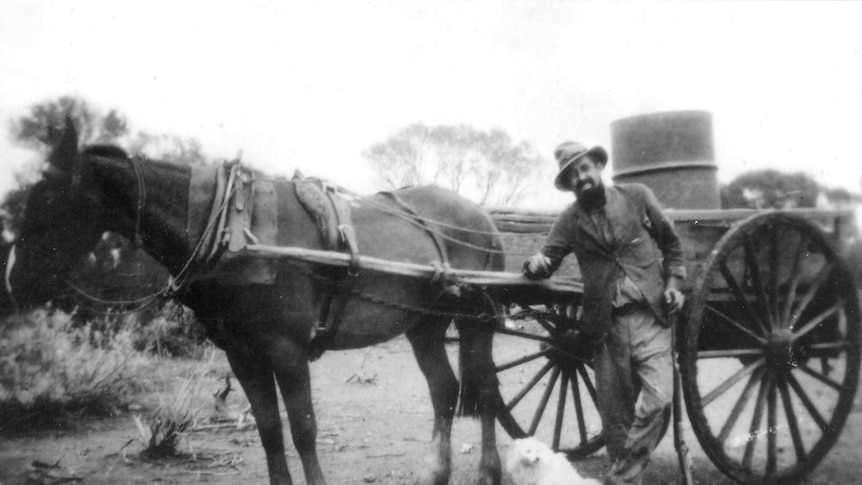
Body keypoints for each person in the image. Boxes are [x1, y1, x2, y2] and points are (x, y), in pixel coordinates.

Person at [523, 141, 686, 485]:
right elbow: (547, 260)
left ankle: (618, 480)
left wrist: (673, 283)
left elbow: (672, 245)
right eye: (572, 175)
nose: (580, 177)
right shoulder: (570, 220)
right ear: (568, 185)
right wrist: (534, 264)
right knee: (616, 423)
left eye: (584, 168)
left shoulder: (637, 196)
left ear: (598, 166)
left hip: (650, 317)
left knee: (658, 400)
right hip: (606, 328)